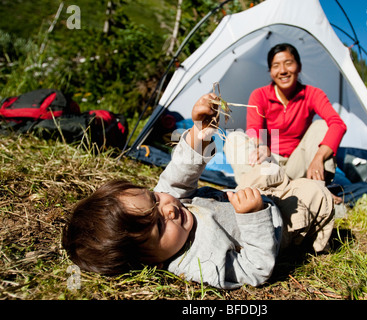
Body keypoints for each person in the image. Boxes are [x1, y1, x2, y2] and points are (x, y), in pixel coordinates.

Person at [62, 93, 335, 289]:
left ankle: (282, 169)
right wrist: (254, 216)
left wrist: (200, 132)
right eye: (158, 224)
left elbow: (179, 176)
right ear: (148, 262)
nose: (167, 209)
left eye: (154, 198)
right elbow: (255, 269)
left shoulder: (170, 206)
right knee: (316, 193)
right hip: (280, 222)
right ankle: (312, 232)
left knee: (242, 143)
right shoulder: (201, 263)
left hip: (250, 191)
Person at [225, 43, 347, 190]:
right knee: (234, 138)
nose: (283, 71)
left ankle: (317, 189)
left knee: (322, 125)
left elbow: (338, 125)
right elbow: (254, 129)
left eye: (288, 63)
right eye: (276, 66)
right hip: (269, 164)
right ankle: (253, 190)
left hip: (297, 165)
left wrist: (318, 157)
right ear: (270, 71)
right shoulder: (260, 95)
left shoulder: (312, 94)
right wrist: (261, 147)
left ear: (299, 67)